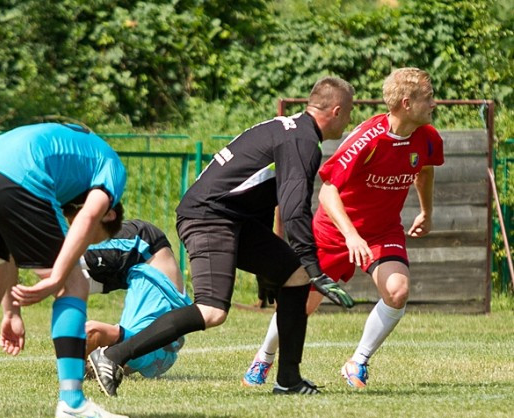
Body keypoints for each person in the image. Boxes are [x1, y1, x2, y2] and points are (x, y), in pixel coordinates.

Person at [88, 77, 357, 398]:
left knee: (294, 278)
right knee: (212, 311)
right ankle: (113, 356)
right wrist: (316, 269)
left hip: (230, 217)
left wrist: (271, 269)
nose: (350, 121)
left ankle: (289, 379)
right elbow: (294, 209)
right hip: (209, 217)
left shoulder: (287, 129)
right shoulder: (302, 141)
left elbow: (257, 188)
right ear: (337, 111)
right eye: (350, 112)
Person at [243, 67, 443, 389]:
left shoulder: (428, 137)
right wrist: (351, 235)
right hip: (335, 232)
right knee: (301, 306)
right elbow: (327, 190)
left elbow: (424, 171)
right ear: (406, 103)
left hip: (383, 232)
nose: (434, 103)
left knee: (397, 292)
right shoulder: (369, 138)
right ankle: (263, 359)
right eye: (428, 98)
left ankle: (357, 363)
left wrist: (426, 212)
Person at [0, 122, 129, 418]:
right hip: (18, 176)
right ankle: (73, 402)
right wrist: (60, 275)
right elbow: (88, 217)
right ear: (110, 213)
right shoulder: (112, 166)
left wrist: (11, 311)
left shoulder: (69, 162)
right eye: (92, 239)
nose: (84, 242)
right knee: (76, 284)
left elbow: (10, 250)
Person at [82, 219, 191, 378]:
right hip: (143, 247)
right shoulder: (139, 352)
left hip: (140, 265)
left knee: (63, 283)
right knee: (56, 258)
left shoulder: (157, 362)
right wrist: (77, 370)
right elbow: (91, 332)